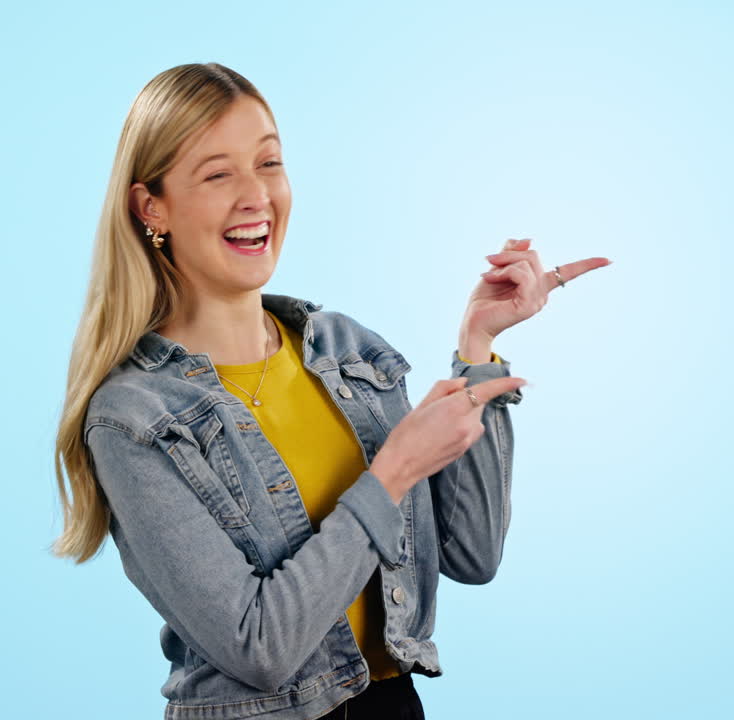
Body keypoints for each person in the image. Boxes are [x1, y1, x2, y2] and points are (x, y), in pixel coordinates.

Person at [49, 62, 610, 720]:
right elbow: (259, 647)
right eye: (217, 174)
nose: (256, 196)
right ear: (152, 207)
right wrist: (391, 475)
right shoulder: (133, 418)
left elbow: (471, 553)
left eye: (268, 163)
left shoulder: (345, 351)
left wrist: (476, 347)